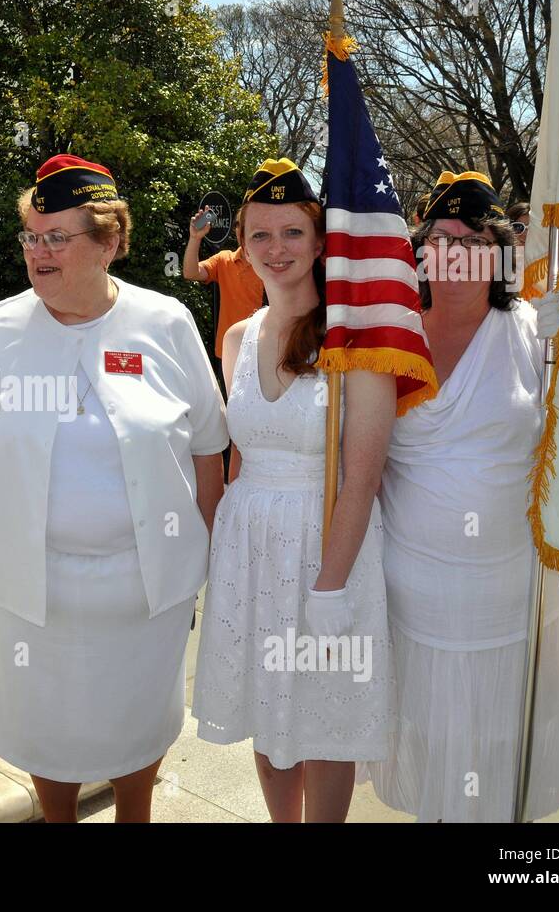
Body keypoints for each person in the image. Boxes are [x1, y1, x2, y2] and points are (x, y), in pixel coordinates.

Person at [0, 155, 229, 823]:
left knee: (139, 719)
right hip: (36, 596)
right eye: (31, 237)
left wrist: (206, 545)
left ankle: (135, 814)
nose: (38, 253)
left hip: (144, 593)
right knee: (45, 723)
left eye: (56, 238)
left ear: (109, 243)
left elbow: (209, 441)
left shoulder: (166, 324)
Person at [364, 171, 559, 822]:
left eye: (473, 242)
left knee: (499, 752)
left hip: (512, 597)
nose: (454, 255)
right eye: (441, 240)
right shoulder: (391, 335)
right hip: (414, 597)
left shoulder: (530, 334)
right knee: (431, 749)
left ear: (498, 254)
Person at [191, 158, 396, 823]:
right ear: (242, 245)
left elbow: (362, 479)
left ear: (318, 241)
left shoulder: (355, 342)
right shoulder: (235, 338)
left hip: (326, 546)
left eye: (291, 233)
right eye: (260, 235)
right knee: (266, 705)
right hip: (251, 545)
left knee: (322, 717)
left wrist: (332, 585)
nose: (275, 249)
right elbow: (238, 456)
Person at [183, 210, 265, 360]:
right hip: (229, 351)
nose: (243, 230)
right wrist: (195, 238)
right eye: (239, 225)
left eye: (249, 225)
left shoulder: (270, 263)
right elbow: (190, 273)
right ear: (235, 229)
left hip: (261, 350)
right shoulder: (224, 259)